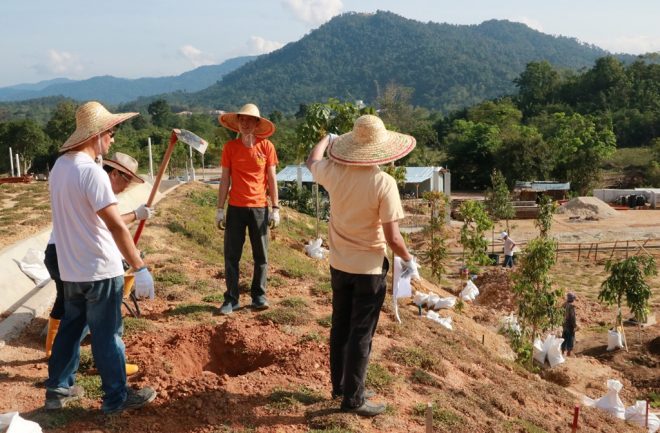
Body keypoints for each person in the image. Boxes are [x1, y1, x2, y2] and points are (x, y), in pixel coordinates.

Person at [45, 101, 156, 414]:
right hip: (100, 270)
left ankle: (58, 390)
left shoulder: (60, 168)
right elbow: (116, 225)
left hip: (72, 269)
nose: (112, 139)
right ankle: (116, 398)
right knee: (108, 336)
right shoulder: (91, 172)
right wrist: (140, 267)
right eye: (110, 132)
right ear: (96, 135)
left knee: (71, 328)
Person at [306, 114, 420, 417]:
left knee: (340, 327)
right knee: (361, 334)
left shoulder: (335, 173)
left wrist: (327, 138)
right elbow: (393, 237)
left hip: (339, 264)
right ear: (382, 150)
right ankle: (353, 399)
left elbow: (311, 161)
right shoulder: (384, 183)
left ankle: (342, 386)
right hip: (369, 270)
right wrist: (409, 260)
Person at [215, 103, 280, 315]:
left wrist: (276, 207)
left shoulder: (267, 147)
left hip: (260, 207)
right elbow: (225, 179)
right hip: (236, 207)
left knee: (261, 255)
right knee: (231, 255)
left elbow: (272, 178)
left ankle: (259, 295)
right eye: (242, 120)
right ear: (237, 123)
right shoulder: (230, 148)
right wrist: (220, 209)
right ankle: (231, 299)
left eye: (250, 120)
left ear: (257, 123)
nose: (245, 124)